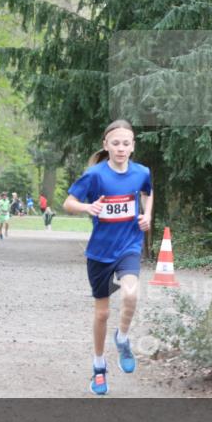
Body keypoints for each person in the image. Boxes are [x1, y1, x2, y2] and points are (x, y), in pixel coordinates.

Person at [64, 119, 152, 395]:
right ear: (106, 145)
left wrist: (147, 215)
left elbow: (148, 192)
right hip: (100, 252)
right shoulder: (95, 175)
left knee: (131, 294)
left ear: (133, 146)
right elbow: (68, 203)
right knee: (101, 314)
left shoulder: (141, 172)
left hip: (129, 245)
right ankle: (99, 366)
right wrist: (87, 207)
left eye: (126, 143)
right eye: (116, 143)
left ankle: (123, 338)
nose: (121, 148)